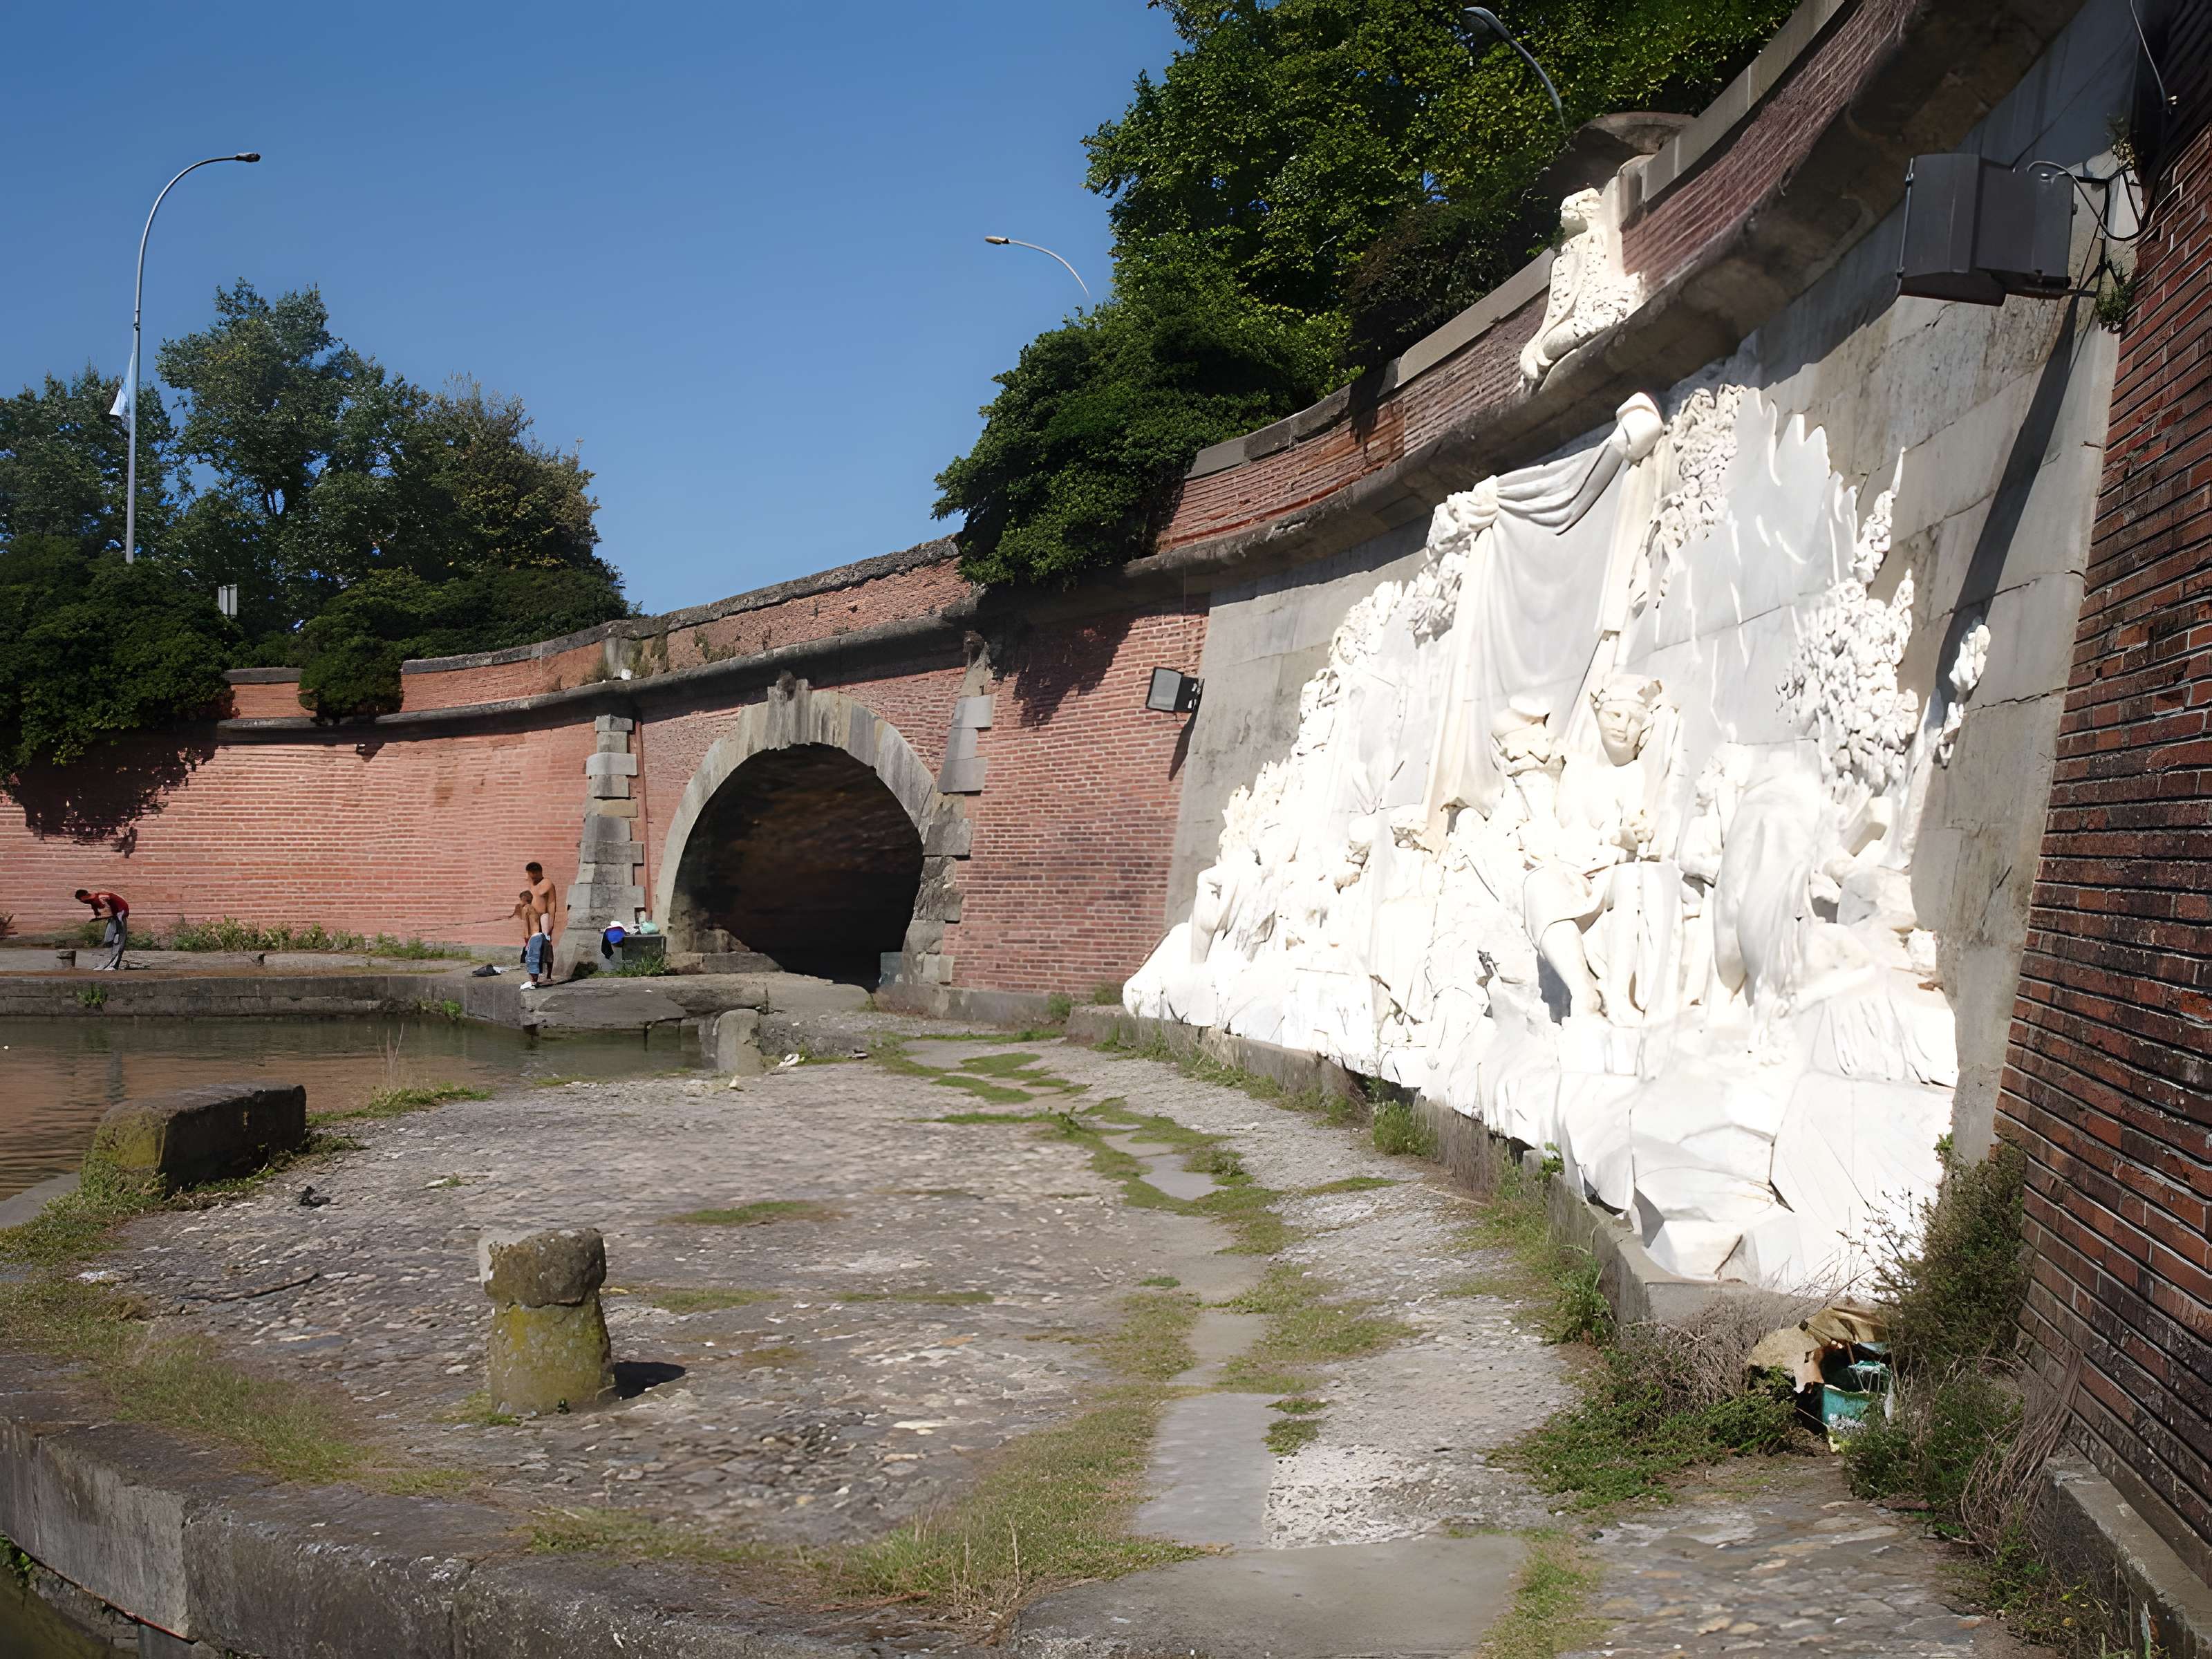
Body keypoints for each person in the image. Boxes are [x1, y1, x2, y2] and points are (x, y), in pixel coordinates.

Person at [73, 888, 129, 971]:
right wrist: (97, 917)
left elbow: (116, 906)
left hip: (120, 913)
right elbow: (97, 909)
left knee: (118, 940)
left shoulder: (102, 897)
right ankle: (106, 964)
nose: (81, 902)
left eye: (80, 899)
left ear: (85, 896)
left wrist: (118, 926)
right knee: (108, 940)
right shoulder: (92, 901)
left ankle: (114, 966)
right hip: (113, 917)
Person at [525, 861, 561, 950]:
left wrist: (551, 922)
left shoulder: (547, 884)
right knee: (530, 943)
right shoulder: (530, 883)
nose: (529, 877)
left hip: (542, 918)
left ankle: (544, 962)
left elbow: (551, 903)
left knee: (543, 943)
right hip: (531, 918)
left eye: (530, 875)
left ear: (536, 873)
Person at [521, 912, 553, 990]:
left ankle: (534, 981)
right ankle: (545, 977)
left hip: (536, 936)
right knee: (546, 956)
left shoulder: (529, 910)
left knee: (534, 958)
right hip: (541, 935)